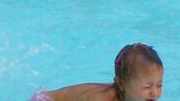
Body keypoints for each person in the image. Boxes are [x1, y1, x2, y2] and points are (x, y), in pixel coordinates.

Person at [30, 43, 163, 101]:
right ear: (121, 85)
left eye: (159, 85)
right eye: (147, 87)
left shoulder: (134, 96)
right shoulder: (101, 99)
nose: (155, 92)